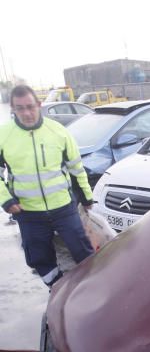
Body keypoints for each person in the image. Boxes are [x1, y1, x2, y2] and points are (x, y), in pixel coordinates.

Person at [0, 84, 94, 287]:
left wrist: (86, 197)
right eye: (20, 108)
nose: (26, 113)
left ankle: (92, 287)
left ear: (39, 105)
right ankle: (56, 287)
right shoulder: (4, 135)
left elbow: (76, 168)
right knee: (38, 256)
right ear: (13, 110)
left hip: (63, 207)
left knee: (82, 249)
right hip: (28, 211)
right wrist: (7, 200)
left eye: (30, 106)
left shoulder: (58, 131)